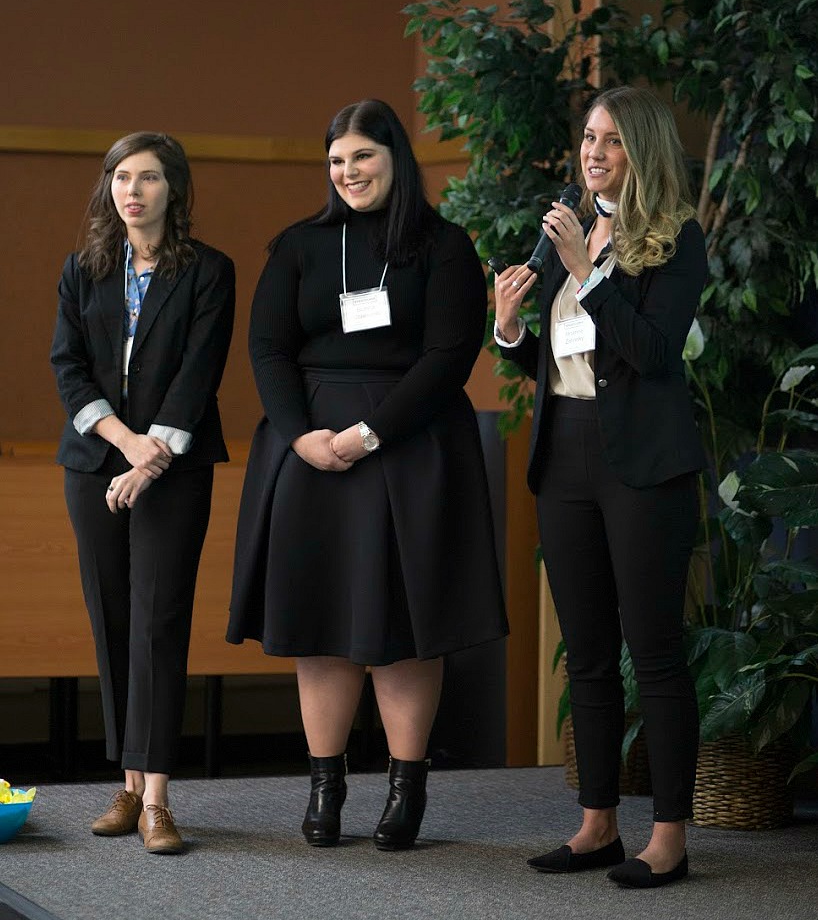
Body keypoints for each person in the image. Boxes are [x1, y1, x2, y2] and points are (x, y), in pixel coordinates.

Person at [227, 98, 507, 851]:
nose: (347, 173)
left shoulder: (445, 246)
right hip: (311, 447)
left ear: (396, 158)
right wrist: (300, 437)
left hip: (412, 445)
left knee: (406, 627)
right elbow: (267, 349)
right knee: (321, 622)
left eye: (362, 157)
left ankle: (405, 787)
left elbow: (451, 356)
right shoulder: (298, 245)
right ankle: (326, 784)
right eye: (336, 162)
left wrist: (370, 432)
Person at [494, 86, 707, 888]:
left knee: (652, 653)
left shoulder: (676, 240)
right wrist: (510, 324)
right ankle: (596, 826)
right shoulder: (566, 231)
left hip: (644, 461)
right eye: (587, 137)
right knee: (584, 654)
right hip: (567, 452)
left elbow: (652, 353)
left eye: (611, 140)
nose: (593, 152)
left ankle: (669, 837)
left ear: (641, 150)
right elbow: (552, 353)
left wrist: (588, 271)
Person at [51, 132, 235, 854]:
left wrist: (152, 456)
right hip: (95, 465)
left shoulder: (209, 271)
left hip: (176, 467)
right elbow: (68, 367)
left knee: (159, 620)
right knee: (113, 621)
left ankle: (158, 795)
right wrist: (126, 446)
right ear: (110, 188)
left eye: (150, 177)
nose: (134, 190)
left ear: (173, 190)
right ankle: (127, 786)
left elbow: (200, 372)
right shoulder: (83, 270)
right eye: (122, 177)